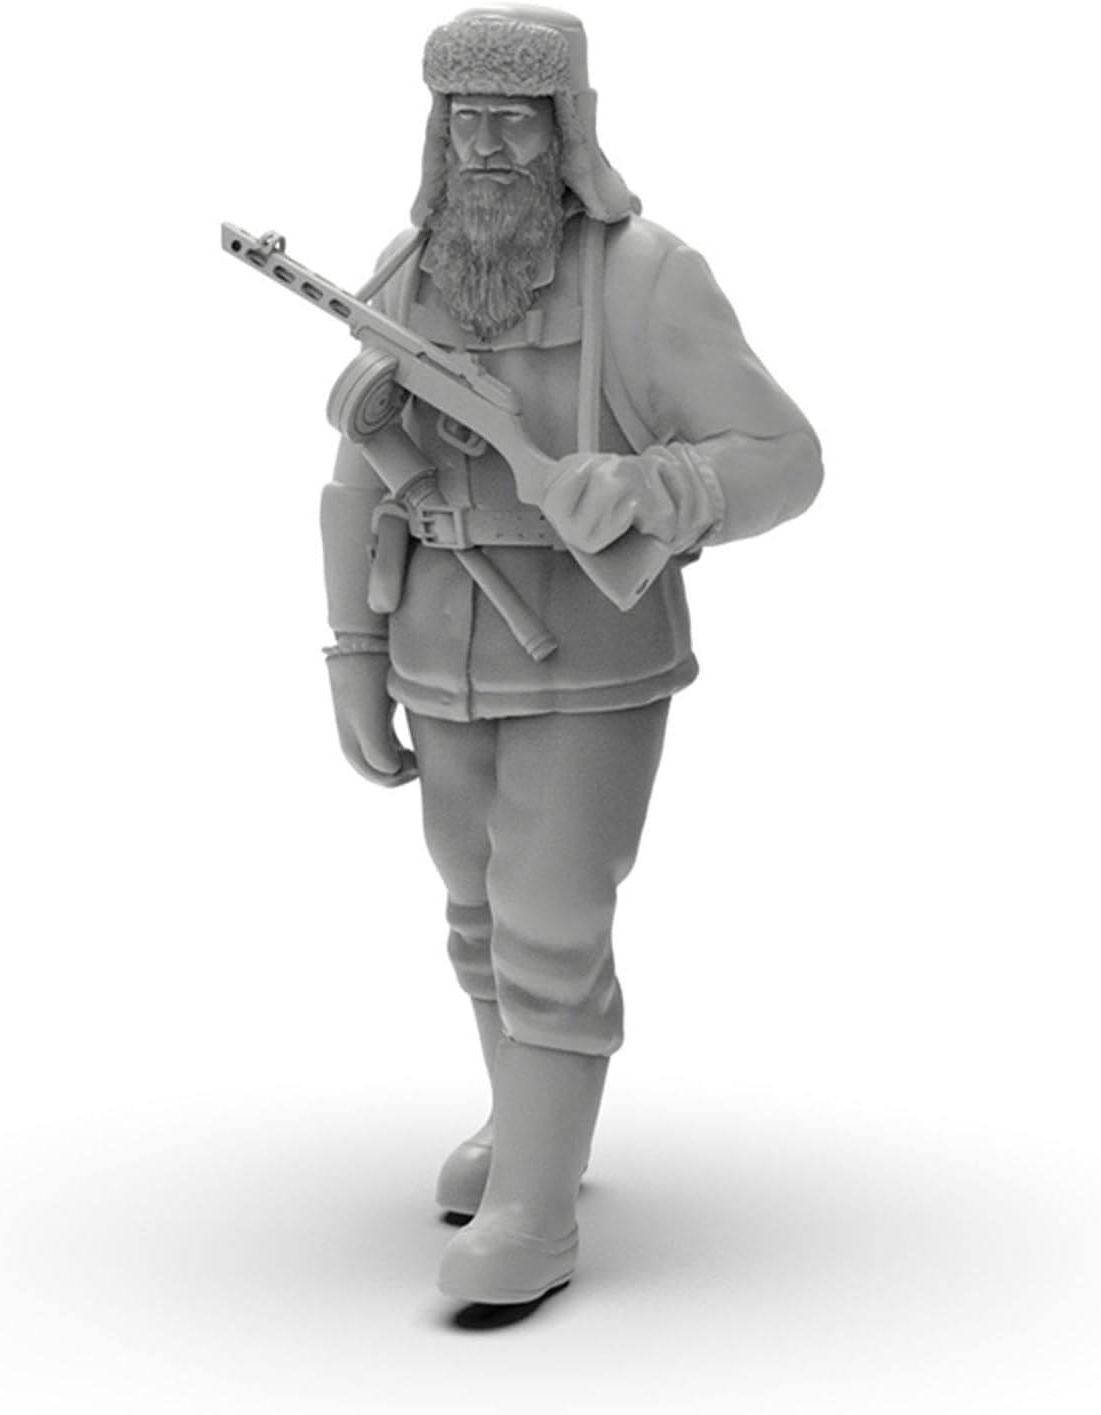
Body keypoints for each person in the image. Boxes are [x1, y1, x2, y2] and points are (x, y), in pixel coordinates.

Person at [320, 4, 822, 1307]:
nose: (486, 147)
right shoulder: (406, 271)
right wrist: (353, 652)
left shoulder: (647, 277)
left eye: (515, 121)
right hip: (438, 647)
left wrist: (653, 488)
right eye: (464, 120)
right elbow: (356, 477)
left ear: (566, 129)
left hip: (588, 652)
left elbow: (783, 456)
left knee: (550, 919)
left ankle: (535, 1212)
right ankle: (525, 1130)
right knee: (476, 913)